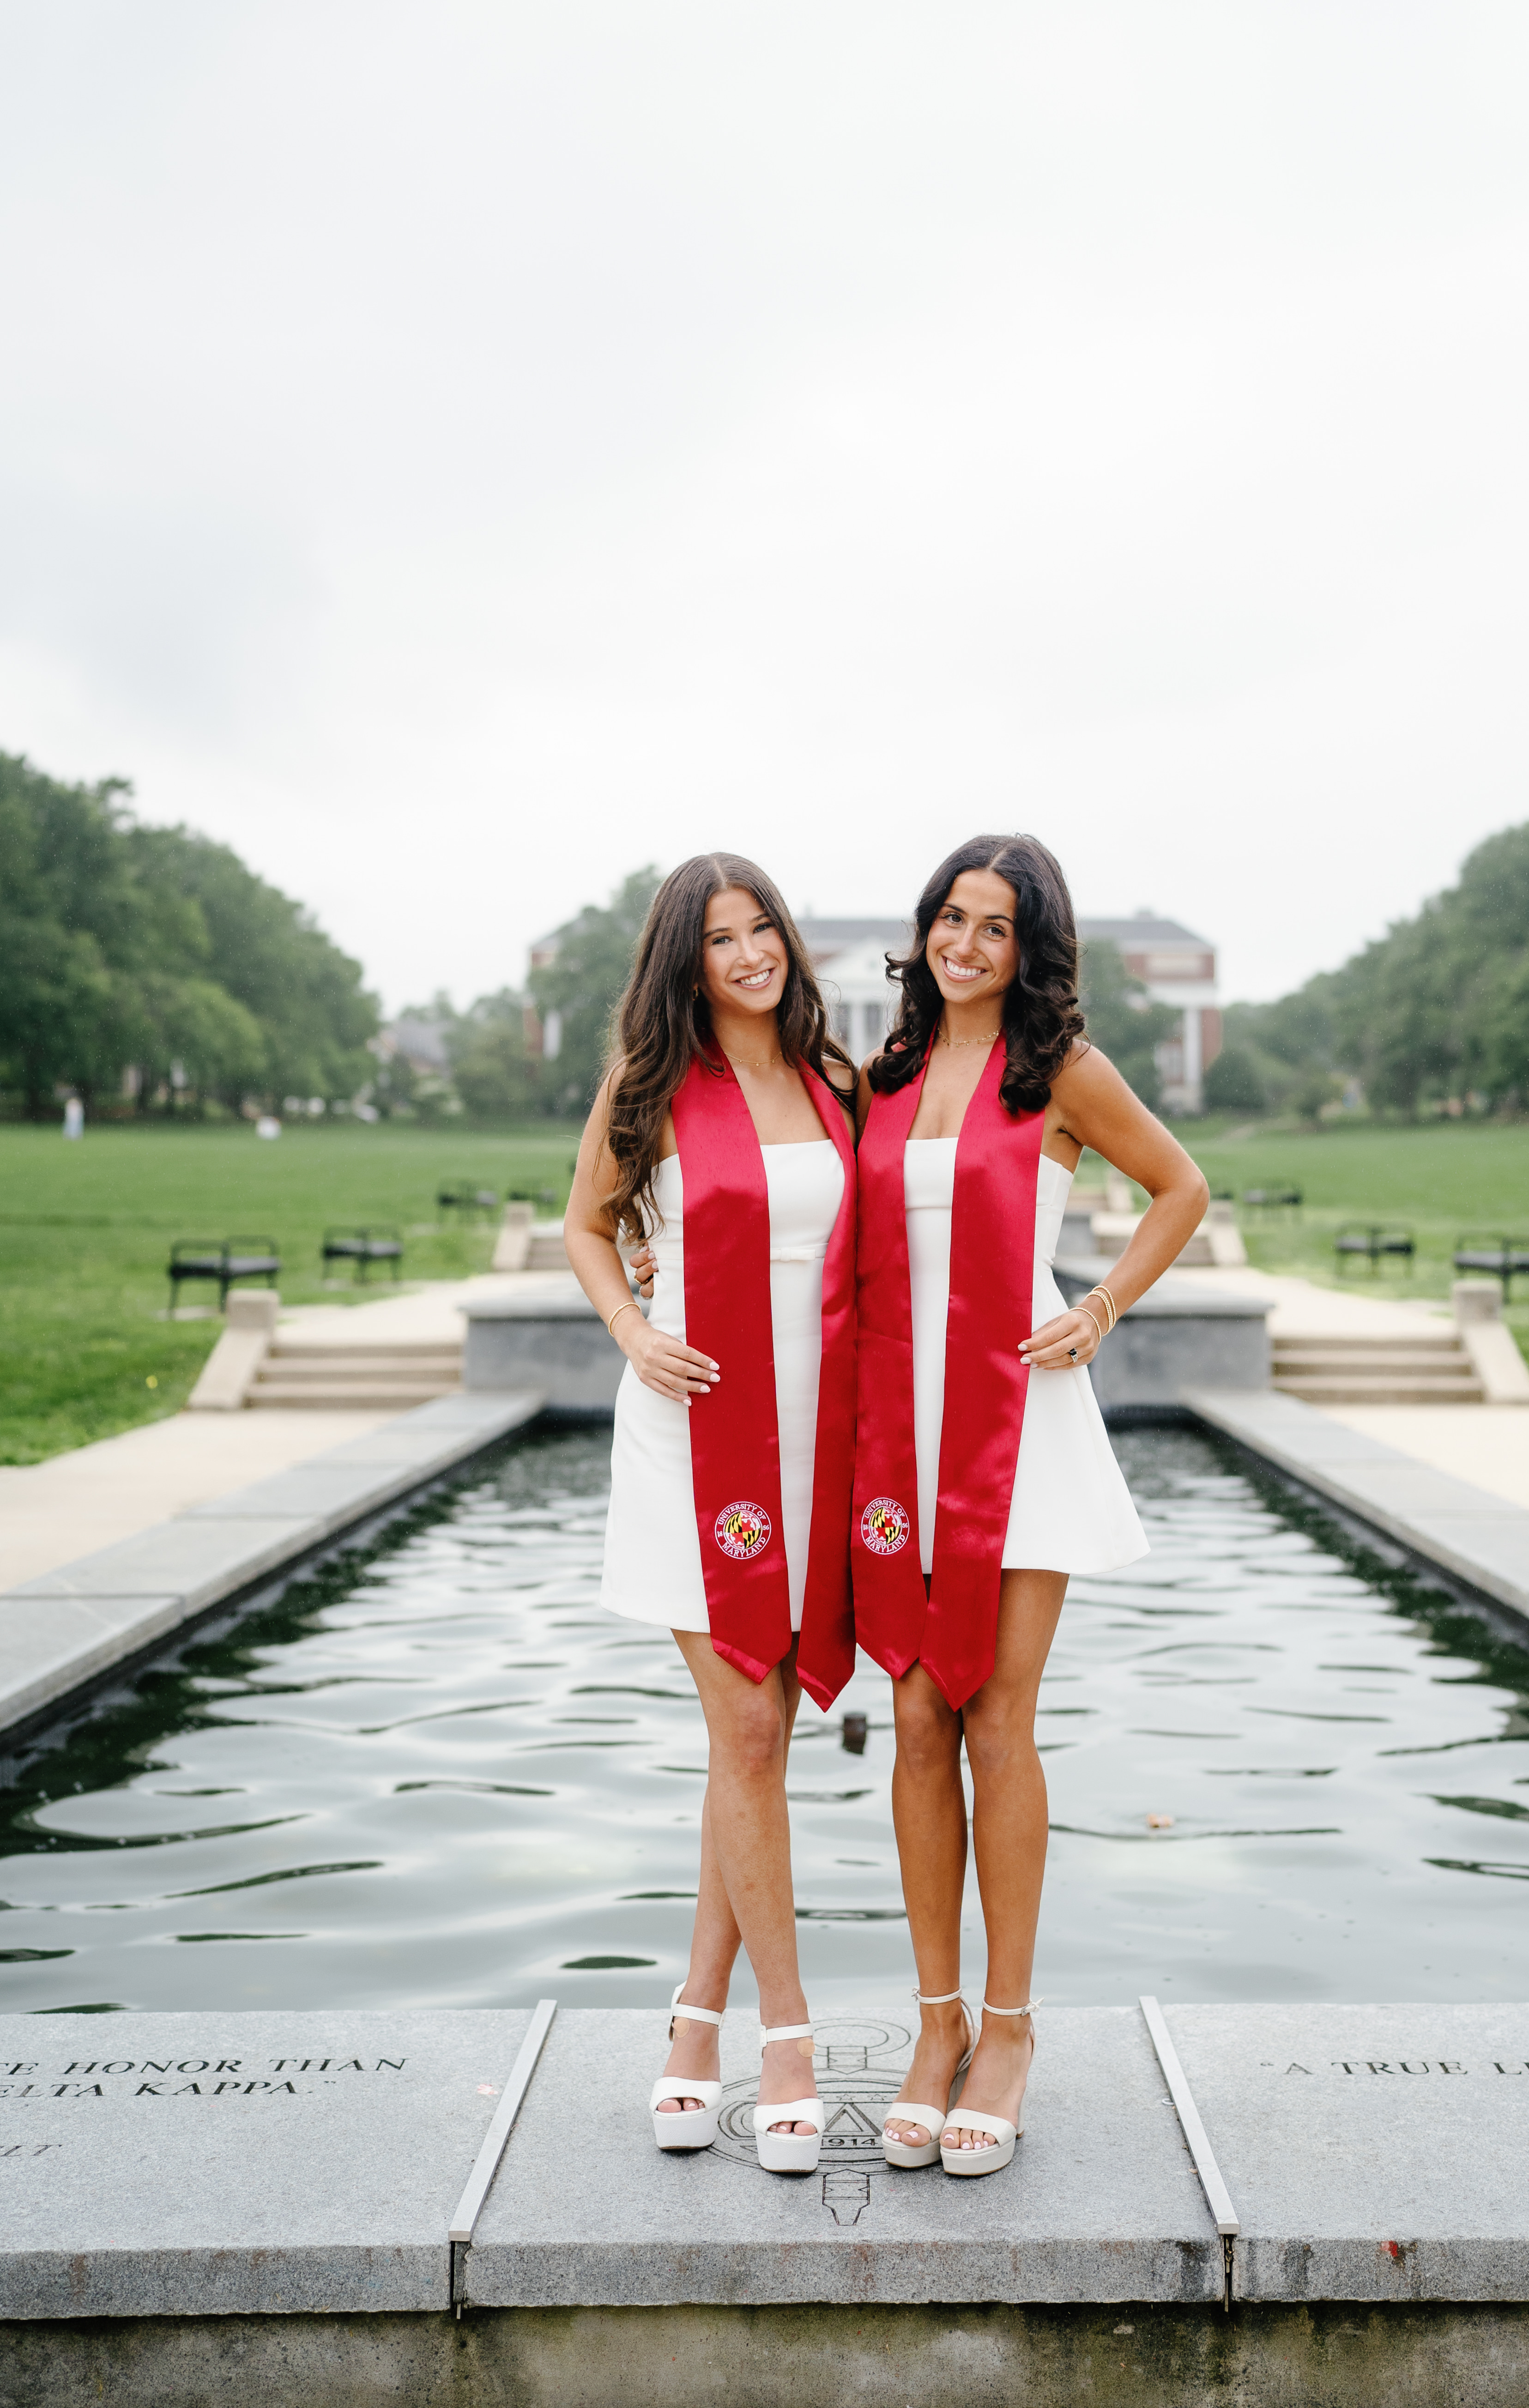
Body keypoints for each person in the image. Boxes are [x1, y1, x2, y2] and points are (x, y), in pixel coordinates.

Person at [855, 835, 1207, 2177]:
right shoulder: (880, 1076)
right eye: (951, 917)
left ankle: (1008, 2031)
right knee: (912, 1709)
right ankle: (932, 2027)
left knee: (999, 1715)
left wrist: (1101, 1305)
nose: (965, 944)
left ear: (1029, 947)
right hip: (898, 1439)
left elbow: (1180, 1186)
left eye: (995, 927)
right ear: (924, 930)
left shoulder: (1056, 1073)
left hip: (1017, 1427)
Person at [564, 854, 858, 2176]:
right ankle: (783, 2035)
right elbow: (588, 1225)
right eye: (720, 939)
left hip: (821, 1441)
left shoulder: (837, 1083)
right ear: (684, 961)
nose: (748, 956)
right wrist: (632, 1325)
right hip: (696, 1439)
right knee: (747, 1723)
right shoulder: (649, 1091)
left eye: (762, 931)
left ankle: (691, 2022)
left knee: (754, 1745)